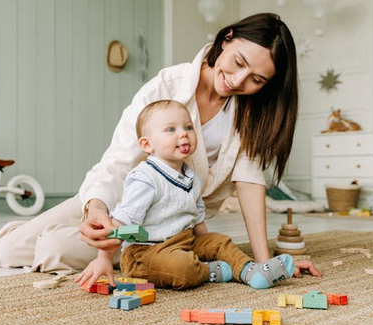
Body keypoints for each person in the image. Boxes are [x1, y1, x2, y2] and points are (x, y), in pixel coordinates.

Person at [0, 13, 321, 278]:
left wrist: (264, 262)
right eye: (238, 62)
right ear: (227, 38)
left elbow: (249, 183)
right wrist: (95, 208)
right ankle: (74, 229)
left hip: (170, 223)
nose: (238, 80)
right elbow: (118, 161)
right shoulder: (168, 85)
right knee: (7, 250)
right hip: (123, 196)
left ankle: (152, 251)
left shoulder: (250, 114)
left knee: (54, 249)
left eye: (256, 79)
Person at [75, 99, 296, 290]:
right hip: (146, 253)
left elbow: (197, 217)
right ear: (147, 144)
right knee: (183, 267)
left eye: (188, 127)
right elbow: (121, 223)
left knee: (220, 242)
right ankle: (208, 271)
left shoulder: (191, 176)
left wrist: (208, 247)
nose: (183, 134)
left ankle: (252, 272)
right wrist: (103, 258)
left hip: (184, 241)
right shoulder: (145, 178)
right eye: (171, 129)